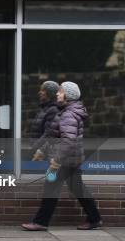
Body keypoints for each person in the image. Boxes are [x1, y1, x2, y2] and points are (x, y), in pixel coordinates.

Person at [22, 82, 103, 231]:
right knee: (78, 188)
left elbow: (67, 141)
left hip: (64, 160)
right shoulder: (65, 111)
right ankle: (95, 218)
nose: (57, 94)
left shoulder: (68, 115)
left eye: (60, 92)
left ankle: (40, 222)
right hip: (72, 159)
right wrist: (42, 151)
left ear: (68, 95)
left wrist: (56, 162)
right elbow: (55, 137)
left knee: (50, 188)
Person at [29, 81, 60, 161]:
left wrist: (36, 148)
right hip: (38, 152)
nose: (39, 92)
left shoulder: (53, 109)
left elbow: (48, 134)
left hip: (44, 154)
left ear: (50, 93)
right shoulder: (44, 108)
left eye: (42, 90)